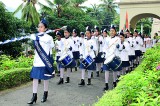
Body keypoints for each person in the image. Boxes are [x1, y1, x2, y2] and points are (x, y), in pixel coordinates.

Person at [28, 19, 55, 104]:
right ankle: (34, 96)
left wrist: (41, 39)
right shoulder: (35, 37)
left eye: (41, 27)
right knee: (35, 78)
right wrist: (35, 38)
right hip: (37, 61)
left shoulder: (49, 38)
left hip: (45, 61)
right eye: (38, 27)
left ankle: (45, 94)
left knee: (45, 79)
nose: (39, 28)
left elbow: (52, 46)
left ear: (45, 28)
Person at [102, 25, 122, 91]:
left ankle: (114, 82)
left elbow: (120, 48)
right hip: (107, 57)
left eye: (113, 31)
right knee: (106, 70)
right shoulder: (106, 39)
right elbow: (104, 47)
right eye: (110, 31)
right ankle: (106, 84)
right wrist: (104, 53)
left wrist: (119, 46)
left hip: (114, 56)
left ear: (115, 32)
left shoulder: (118, 39)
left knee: (114, 70)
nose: (111, 32)